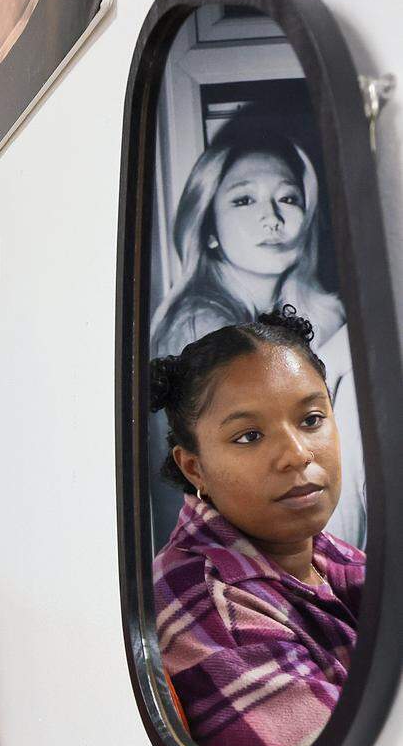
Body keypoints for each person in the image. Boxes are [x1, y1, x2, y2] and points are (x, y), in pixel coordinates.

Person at [150, 306, 364, 746]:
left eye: (311, 419)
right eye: (249, 436)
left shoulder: (327, 556)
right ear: (194, 467)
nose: (296, 454)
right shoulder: (213, 607)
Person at [149, 116, 364, 548]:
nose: (272, 219)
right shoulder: (198, 326)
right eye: (244, 201)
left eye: (287, 197)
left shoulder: (315, 310)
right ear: (207, 225)